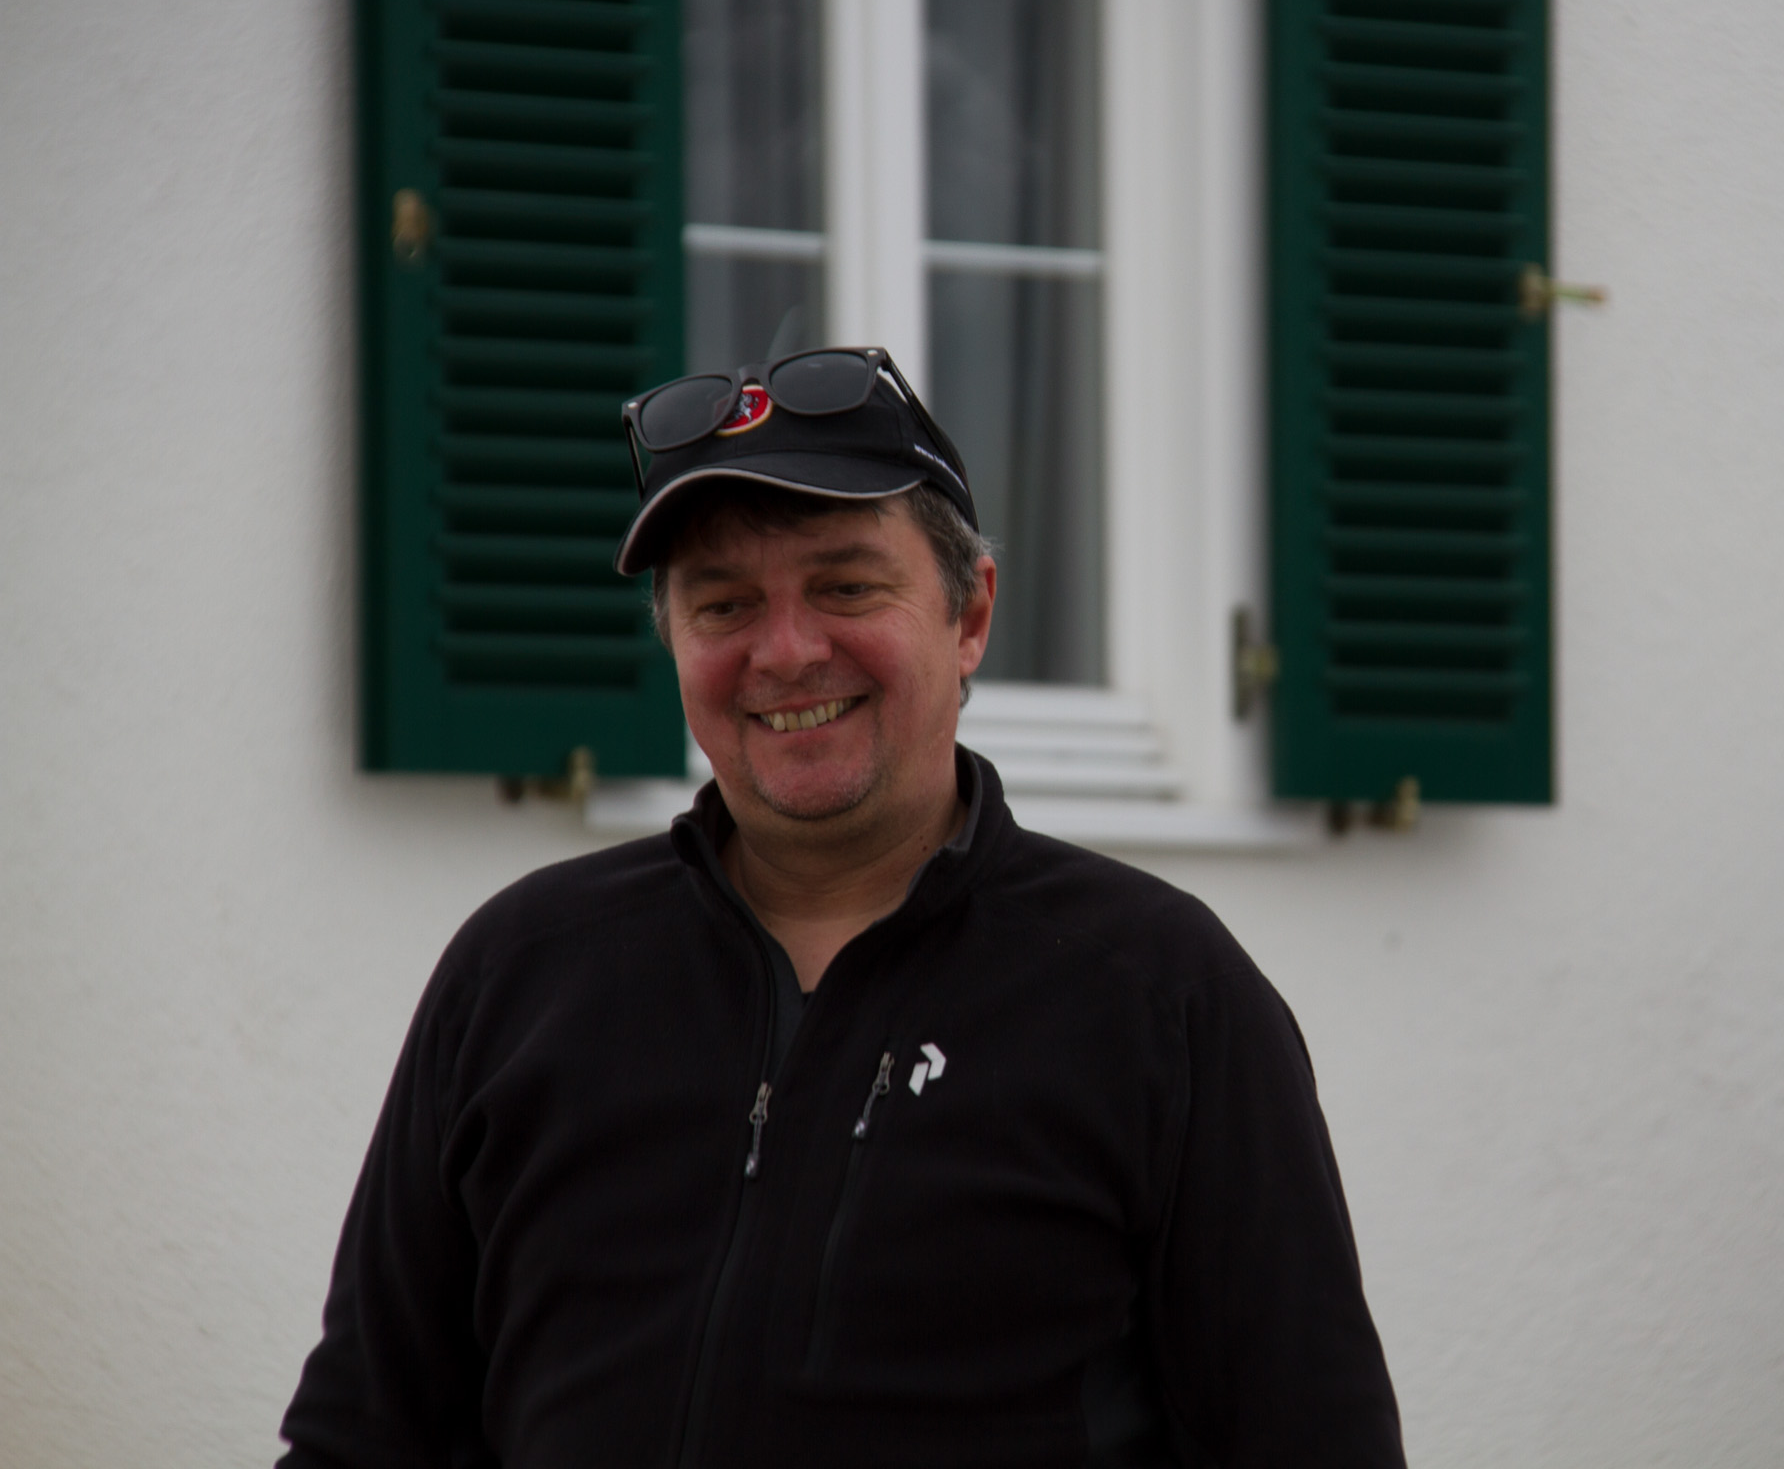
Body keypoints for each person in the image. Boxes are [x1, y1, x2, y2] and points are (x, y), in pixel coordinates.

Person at [278, 342, 1406, 1467]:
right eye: (724, 604)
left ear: (970, 616)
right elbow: (359, 1440)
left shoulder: (1161, 995)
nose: (785, 652)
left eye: (847, 587)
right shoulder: (519, 973)